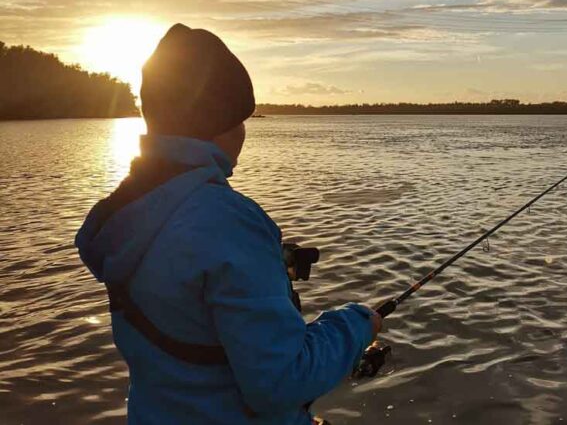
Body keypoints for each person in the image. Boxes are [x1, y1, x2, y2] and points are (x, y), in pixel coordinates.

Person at [75, 23, 382, 425]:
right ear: (218, 121)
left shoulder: (127, 212)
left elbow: (184, 301)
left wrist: (273, 263)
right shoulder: (230, 222)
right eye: (241, 119)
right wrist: (357, 324)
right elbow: (282, 381)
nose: (243, 134)